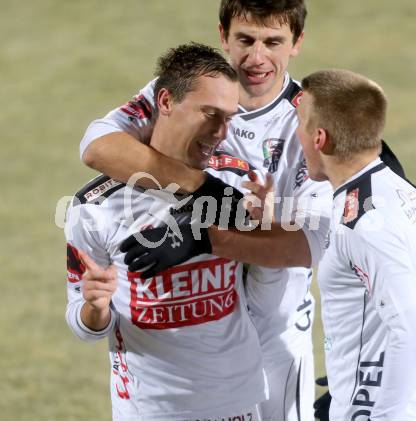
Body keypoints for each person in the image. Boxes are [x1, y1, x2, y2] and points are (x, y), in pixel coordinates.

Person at [80, 1, 333, 420]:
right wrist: (206, 192)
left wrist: (211, 229)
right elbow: (98, 146)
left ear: (297, 43)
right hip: (195, 335)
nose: (256, 58)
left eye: (273, 42)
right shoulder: (190, 91)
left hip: (276, 334)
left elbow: (312, 242)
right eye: (245, 40)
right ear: (223, 36)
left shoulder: (308, 118)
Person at [65, 43, 267, 421]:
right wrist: (96, 307)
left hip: (239, 401)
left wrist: (233, 226)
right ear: (165, 101)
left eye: (229, 118)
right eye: (209, 114)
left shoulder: (237, 184)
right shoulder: (94, 207)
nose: (221, 133)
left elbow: (285, 251)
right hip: (152, 410)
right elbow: (83, 322)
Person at [295, 69, 416, 420]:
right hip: (401, 398)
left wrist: (379, 413)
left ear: (319, 138)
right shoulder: (399, 192)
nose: (295, 134)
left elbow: (412, 332)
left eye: (299, 123)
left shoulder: (365, 224)